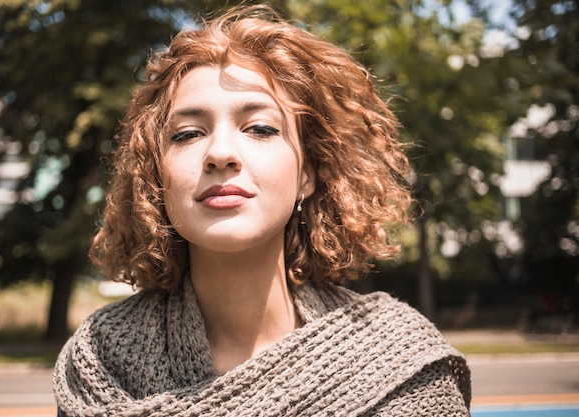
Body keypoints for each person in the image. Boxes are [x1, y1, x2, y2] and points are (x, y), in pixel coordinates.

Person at [53, 4, 471, 416]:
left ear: (308, 173)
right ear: (155, 177)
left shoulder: (399, 361)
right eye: (187, 134)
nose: (220, 153)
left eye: (260, 128)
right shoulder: (100, 359)